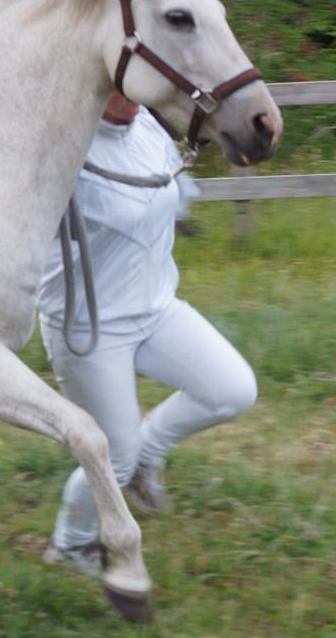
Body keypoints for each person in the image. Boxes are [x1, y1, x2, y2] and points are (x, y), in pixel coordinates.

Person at [36, 92, 258, 574]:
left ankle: (147, 455)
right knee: (110, 458)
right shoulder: (63, 147)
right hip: (89, 326)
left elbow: (172, 192)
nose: (132, 93)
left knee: (232, 391)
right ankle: (69, 546)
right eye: (117, 83)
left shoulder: (149, 129)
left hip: (156, 309)